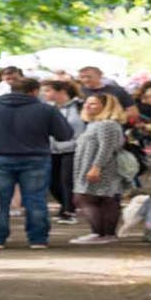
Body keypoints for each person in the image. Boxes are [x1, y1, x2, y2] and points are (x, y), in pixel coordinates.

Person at [0, 78, 73, 250]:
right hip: (36, 159)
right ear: (34, 91)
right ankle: (38, 239)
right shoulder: (46, 110)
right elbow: (64, 134)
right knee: (35, 200)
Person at [68, 94, 128, 245]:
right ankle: (104, 233)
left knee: (86, 198)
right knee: (101, 199)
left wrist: (96, 167)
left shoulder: (106, 124)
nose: (87, 106)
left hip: (102, 167)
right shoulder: (95, 123)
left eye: (93, 104)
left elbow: (106, 148)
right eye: (87, 103)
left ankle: (101, 233)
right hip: (92, 166)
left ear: (106, 106)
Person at [43, 81, 86, 225]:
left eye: (48, 90)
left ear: (61, 92)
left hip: (74, 148)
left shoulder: (79, 107)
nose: (45, 94)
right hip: (51, 149)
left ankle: (69, 211)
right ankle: (66, 205)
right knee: (52, 182)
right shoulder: (48, 108)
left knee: (67, 180)